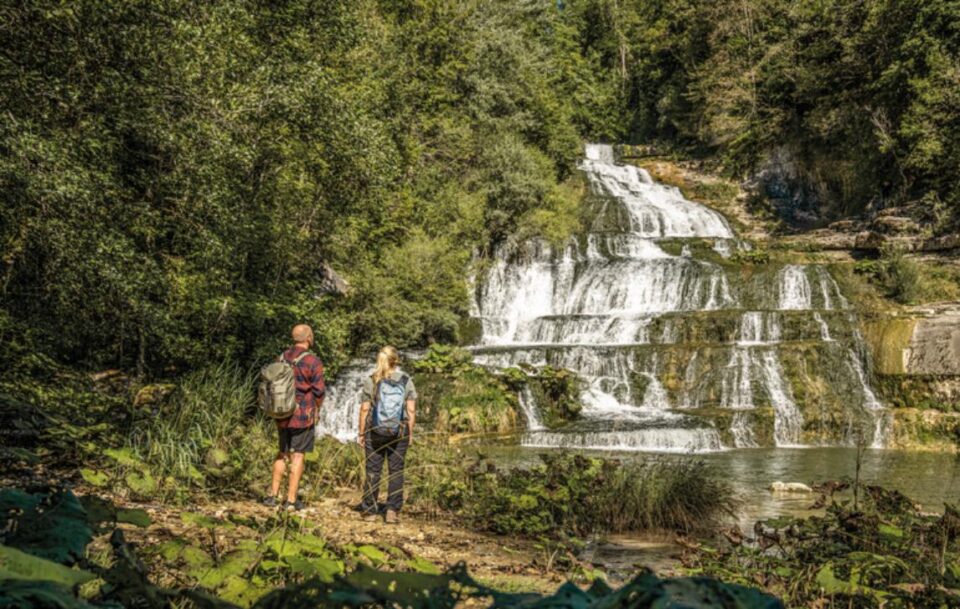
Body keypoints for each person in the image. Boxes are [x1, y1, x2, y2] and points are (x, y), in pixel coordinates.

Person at [264, 324, 325, 511]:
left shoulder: (281, 357)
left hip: (281, 412)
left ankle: (272, 496)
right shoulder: (313, 361)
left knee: (282, 452)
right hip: (302, 415)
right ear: (309, 338)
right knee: (298, 455)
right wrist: (317, 409)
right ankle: (290, 500)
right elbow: (319, 391)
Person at [357, 346, 417, 524]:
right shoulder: (406, 380)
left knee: (373, 469)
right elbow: (411, 410)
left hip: (374, 431)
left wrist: (361, 432)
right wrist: (410, 433)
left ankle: (370, 510)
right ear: (395, 360)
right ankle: (392, 510)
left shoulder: (372, 380)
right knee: (396, 470)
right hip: (399, 431)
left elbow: (364, 409)